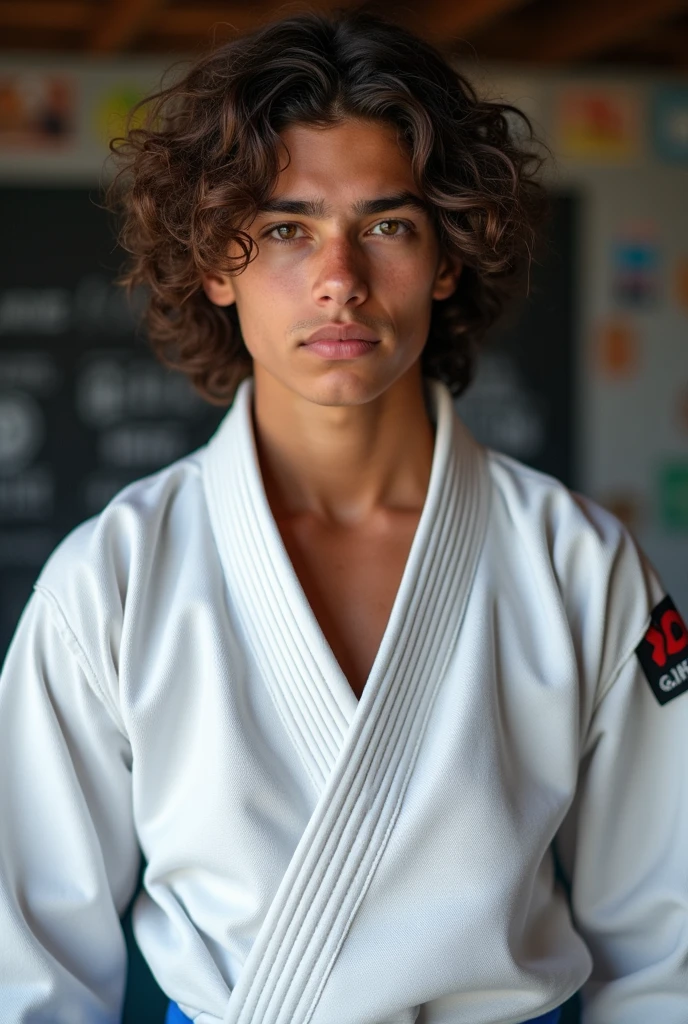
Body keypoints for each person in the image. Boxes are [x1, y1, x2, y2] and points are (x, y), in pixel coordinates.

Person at [1, 9, 687, 1024]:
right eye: (287, 227)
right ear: (214, 265)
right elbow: (31, 975)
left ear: (446, 258)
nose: (340, 279)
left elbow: (665, 944)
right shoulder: (111, 579)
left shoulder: (577, 564)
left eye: (387, 226)